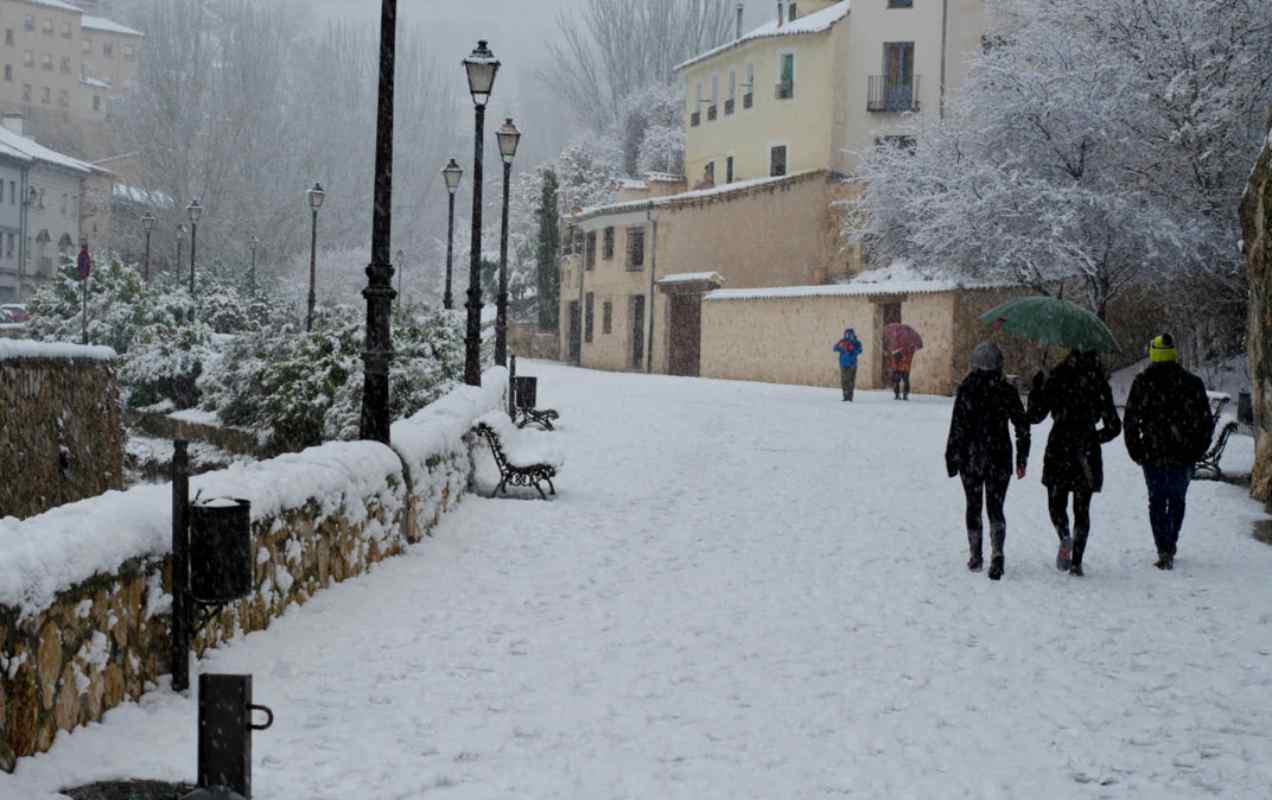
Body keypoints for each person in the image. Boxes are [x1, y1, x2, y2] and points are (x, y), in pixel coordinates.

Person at [1026, 350, 1122, 576]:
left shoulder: (1057, 377)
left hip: (1059, 446)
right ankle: (1077, 561)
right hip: (1086, 451)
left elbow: (1035, 415)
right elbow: (1114, 426)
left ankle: (1064, 535)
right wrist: (1095, 437)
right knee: (1082, 508)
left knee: (1056, 503)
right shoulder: (1098, 381)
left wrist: (1037, 387)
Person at [1122, 334, 1214, 570]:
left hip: (1152, 453)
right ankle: (1170, 542)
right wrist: (1196, 449)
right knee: (1176, 499)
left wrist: (1136, 449)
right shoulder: (1191, 383)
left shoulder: (1143, 383)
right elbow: (1205, 423)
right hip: (1182, 454)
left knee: (1156, 500)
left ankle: (1163, 547)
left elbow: (1131, 419)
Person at [945, 342, 1031, 580]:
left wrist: (952, 456)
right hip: (999, 456)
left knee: (973, 506)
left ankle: (975, 555)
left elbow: (957, 427)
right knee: (996, 508)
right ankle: (998, 554)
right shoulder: (1006, 390)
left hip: (971, 457)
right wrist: (1022, 456)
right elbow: (1022, 425)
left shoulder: (966, 389)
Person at [833, 328, 863, 402]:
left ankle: (849, 397)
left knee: (850, 381)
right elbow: (834, 348)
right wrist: (839, 346)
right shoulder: (842, 341)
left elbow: (860, 351)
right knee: (844, 381)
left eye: (850, 335)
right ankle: (845, 396)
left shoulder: (856, 342)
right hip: (843, 365)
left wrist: (852, 348)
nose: (848, 336)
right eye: (847, 334)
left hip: (852, 365)